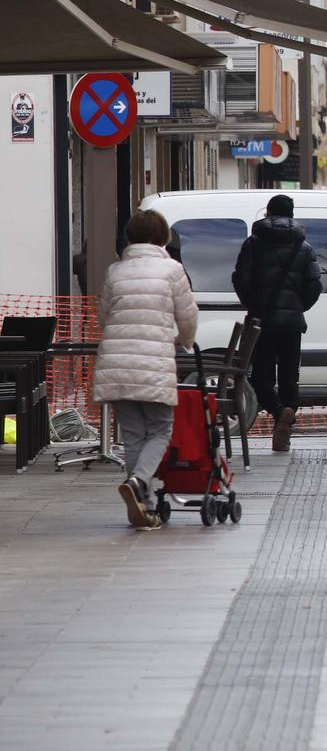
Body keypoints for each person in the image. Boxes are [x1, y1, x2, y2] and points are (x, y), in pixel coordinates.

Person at [95, 210, 199, 530]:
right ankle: (139, 481)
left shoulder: (116, 271)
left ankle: (145, 506)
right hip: (153, 362)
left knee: (133, 435)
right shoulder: (172, 270)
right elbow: (187, 315)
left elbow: (104, 317)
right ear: (162, 237)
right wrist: (185, 339)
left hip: (116, 363)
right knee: (160, 430)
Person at [231, 194, 322, 452]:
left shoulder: (253, 244)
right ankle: (285, 428)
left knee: (261, 378)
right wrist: (296, 306)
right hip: (292, 324)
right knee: (289, 378)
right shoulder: (304, 248)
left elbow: (240, 279)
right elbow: (314, 286)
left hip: (262, 322)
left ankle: (278, 411)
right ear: (292, 214)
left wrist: (254, 304)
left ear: (268, 213)